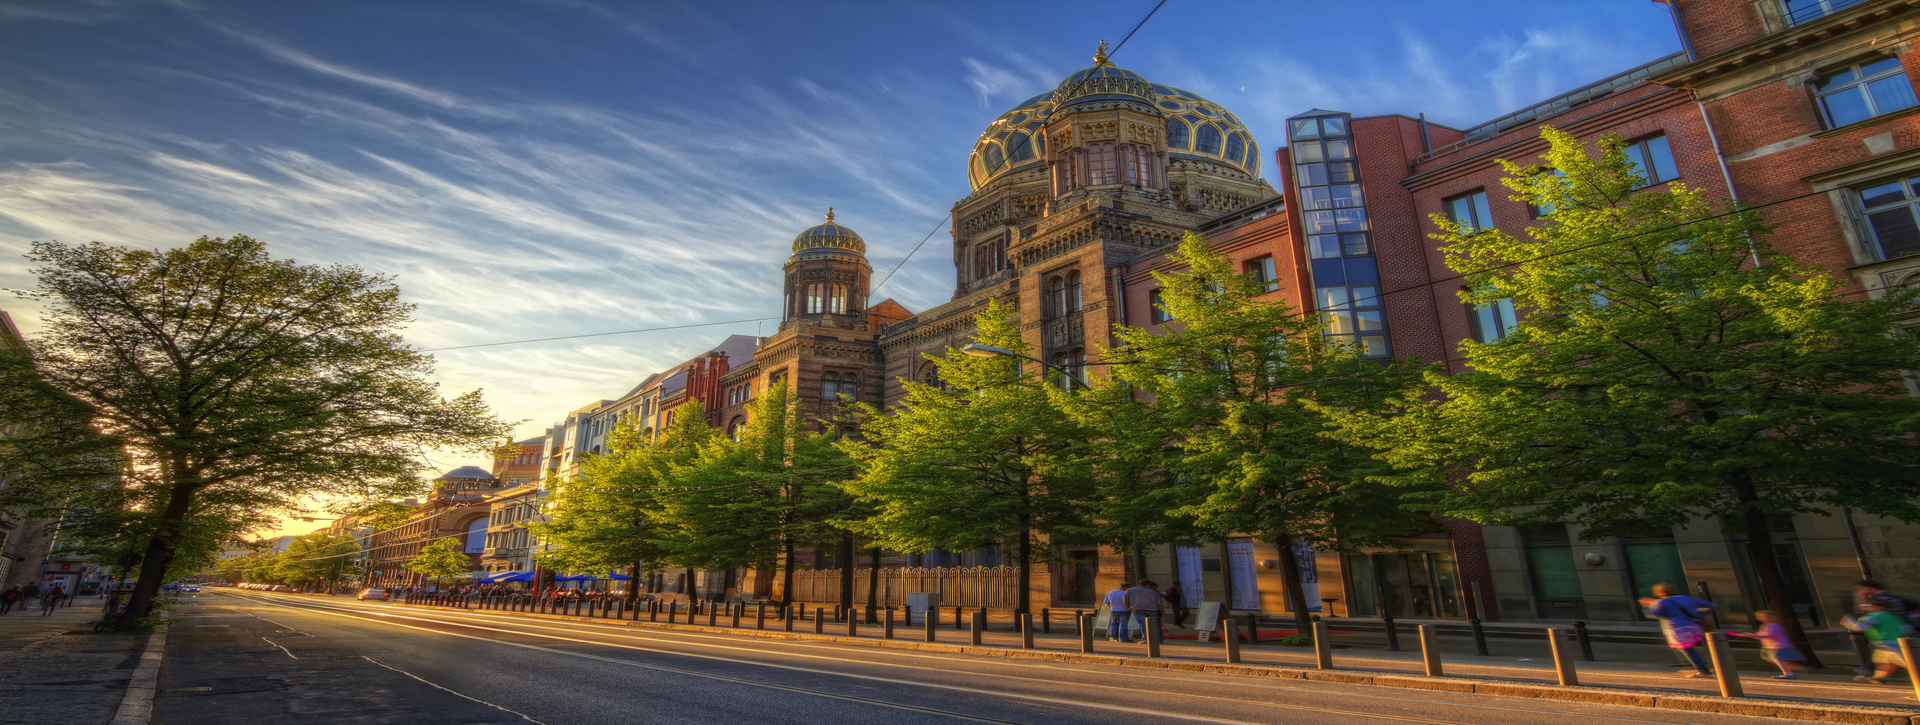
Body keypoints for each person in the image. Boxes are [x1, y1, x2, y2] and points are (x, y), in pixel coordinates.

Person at [1640, 582, 1717, 678]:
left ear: (1660, 593)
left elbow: (1654, 614)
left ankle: (1703, 671)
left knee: (1688, 650)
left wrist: (1648, 604)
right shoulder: (1686, 598)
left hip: (1678, 629)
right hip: (1694, 627)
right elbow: (1712, 605)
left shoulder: (1660, 603)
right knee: (1699, 647)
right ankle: (1710, 665)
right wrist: (1699, 614)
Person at [1843, 601, 1915, 685]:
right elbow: (1908, 629)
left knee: (1910, 664)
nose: (1864, 607)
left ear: (1875, 606)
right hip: (1898, 644)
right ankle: (1878, 678)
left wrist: (1847, 621)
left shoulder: (1873, 616)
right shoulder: (1892, 617)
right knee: (1883, 664)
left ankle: (1878, 678)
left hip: (1887, 646)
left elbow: (1858, 627)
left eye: (1866, 605)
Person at [1728, 610, 1806, 679]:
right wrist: (1750, 635)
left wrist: (1751, 635)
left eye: (1766, 617)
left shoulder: (1775, 626)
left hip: (1778, 646)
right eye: (1761, 616)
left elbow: (1767, 635)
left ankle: (1789, 673)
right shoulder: (1765, 626)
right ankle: (1793, 669)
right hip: (1770, 646)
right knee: (1768, 657)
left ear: (1772, 617)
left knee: (1778, 659)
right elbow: (1762, 635)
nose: (1764, 618)